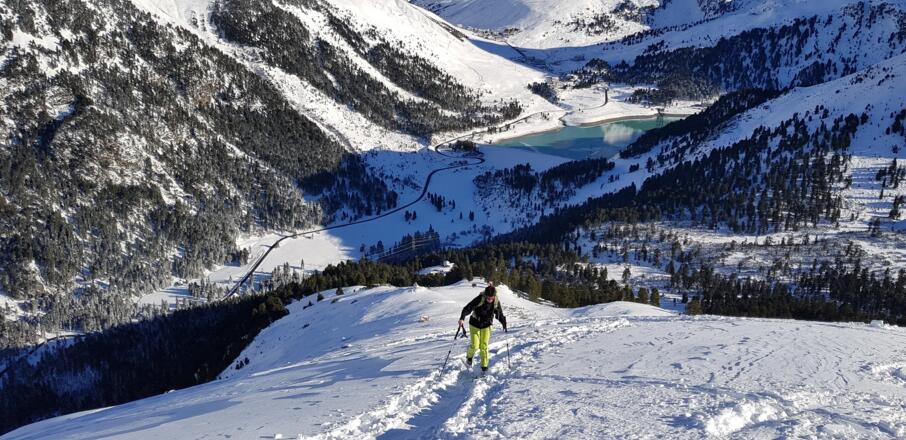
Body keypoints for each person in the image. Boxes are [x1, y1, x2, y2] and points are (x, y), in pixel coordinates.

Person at [459, 285, 507, 374]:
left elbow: (499, 314)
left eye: (491, 298)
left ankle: (484, 368)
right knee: (475, 345)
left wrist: (503, 322)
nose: (489, 300)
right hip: (474, 324)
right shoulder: (480, 299)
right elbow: (467, 308)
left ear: (494, 296)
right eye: (488, 298)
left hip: (487, 325)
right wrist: (462, 318)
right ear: (485, 296)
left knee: (483, 347)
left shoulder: (496, 301)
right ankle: (469, 357)